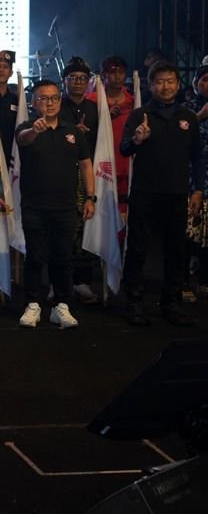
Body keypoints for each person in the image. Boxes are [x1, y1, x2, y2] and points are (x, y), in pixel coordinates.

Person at [119, 61, 206, 327]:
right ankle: (133, 302)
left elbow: (197, 157)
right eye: (159, 81)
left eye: (170, 81)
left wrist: (198, 189)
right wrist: (137, 139)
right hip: (144, 192)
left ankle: (172, 304)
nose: (165, 86)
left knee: (175, 251)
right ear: (150, 85)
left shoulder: (188, 117)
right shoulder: (140, 115)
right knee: (137, 249)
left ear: (178, 84)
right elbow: (124, 149)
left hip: (177, 193)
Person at [15, 80, 95, 329]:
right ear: (34, 102)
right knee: (35, 256)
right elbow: (23, 140)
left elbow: (86, 165)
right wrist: (35, 130)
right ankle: (33, 304)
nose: (49, 103)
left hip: (65, 206)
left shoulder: (73, 131)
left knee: (63, 258)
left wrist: (90, 197)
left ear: (60, 101)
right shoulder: (26, 128)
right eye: (43, 98)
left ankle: (61, 305)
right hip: (34, 206)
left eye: (53, 98)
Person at [61, 56, 102, 304]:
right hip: (61, 174)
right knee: (62, 229)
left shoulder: (96, 109)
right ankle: (58, 282)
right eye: (73, 78)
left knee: (86, 227)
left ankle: (82, 281)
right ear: (64, 81)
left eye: (82, 78)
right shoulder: (56, 105)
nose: (77, 82)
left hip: (88, 174)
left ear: (88, 82)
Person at [88, 55, 135, 216]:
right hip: (101, 156)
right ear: (104, 74)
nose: (117, 77)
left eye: (121, 72)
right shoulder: (92, 100)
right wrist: (104, 115)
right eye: (113, 72)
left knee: (124, 202)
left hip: (124, 156)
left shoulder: (132, 100)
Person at [185, 65, 208, 300]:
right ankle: (182, 282)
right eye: (205, 79)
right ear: (195, 83)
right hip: (191, 180)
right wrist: (200, 115)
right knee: (187, 234)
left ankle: (204, 280)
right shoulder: (187, 109)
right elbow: (178, 140)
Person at [0, 50, 21, 164]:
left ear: (11, 73)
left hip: (9, 154)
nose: (1, 70)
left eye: (5, 67)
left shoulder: (16, 100)